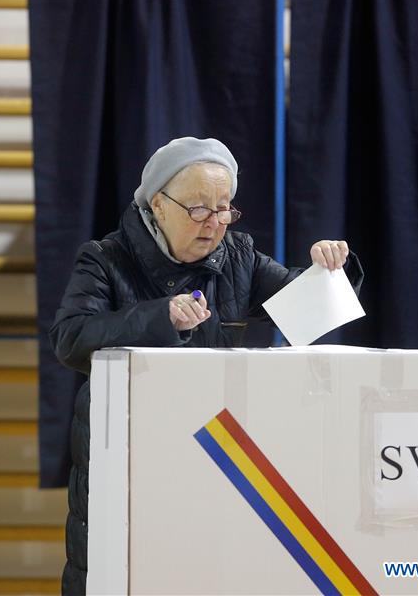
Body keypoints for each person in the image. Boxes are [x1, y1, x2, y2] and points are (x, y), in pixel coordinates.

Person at [49, 137, 363, 594]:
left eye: (225, 209)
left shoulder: (238, 256)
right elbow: (70, 338)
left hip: (216, 451)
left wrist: (333, 269)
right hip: (129, 453)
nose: (215, 224)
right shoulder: (104, 258)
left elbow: (307, 306)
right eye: (199, 209)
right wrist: (162, 317)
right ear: (158, 204)